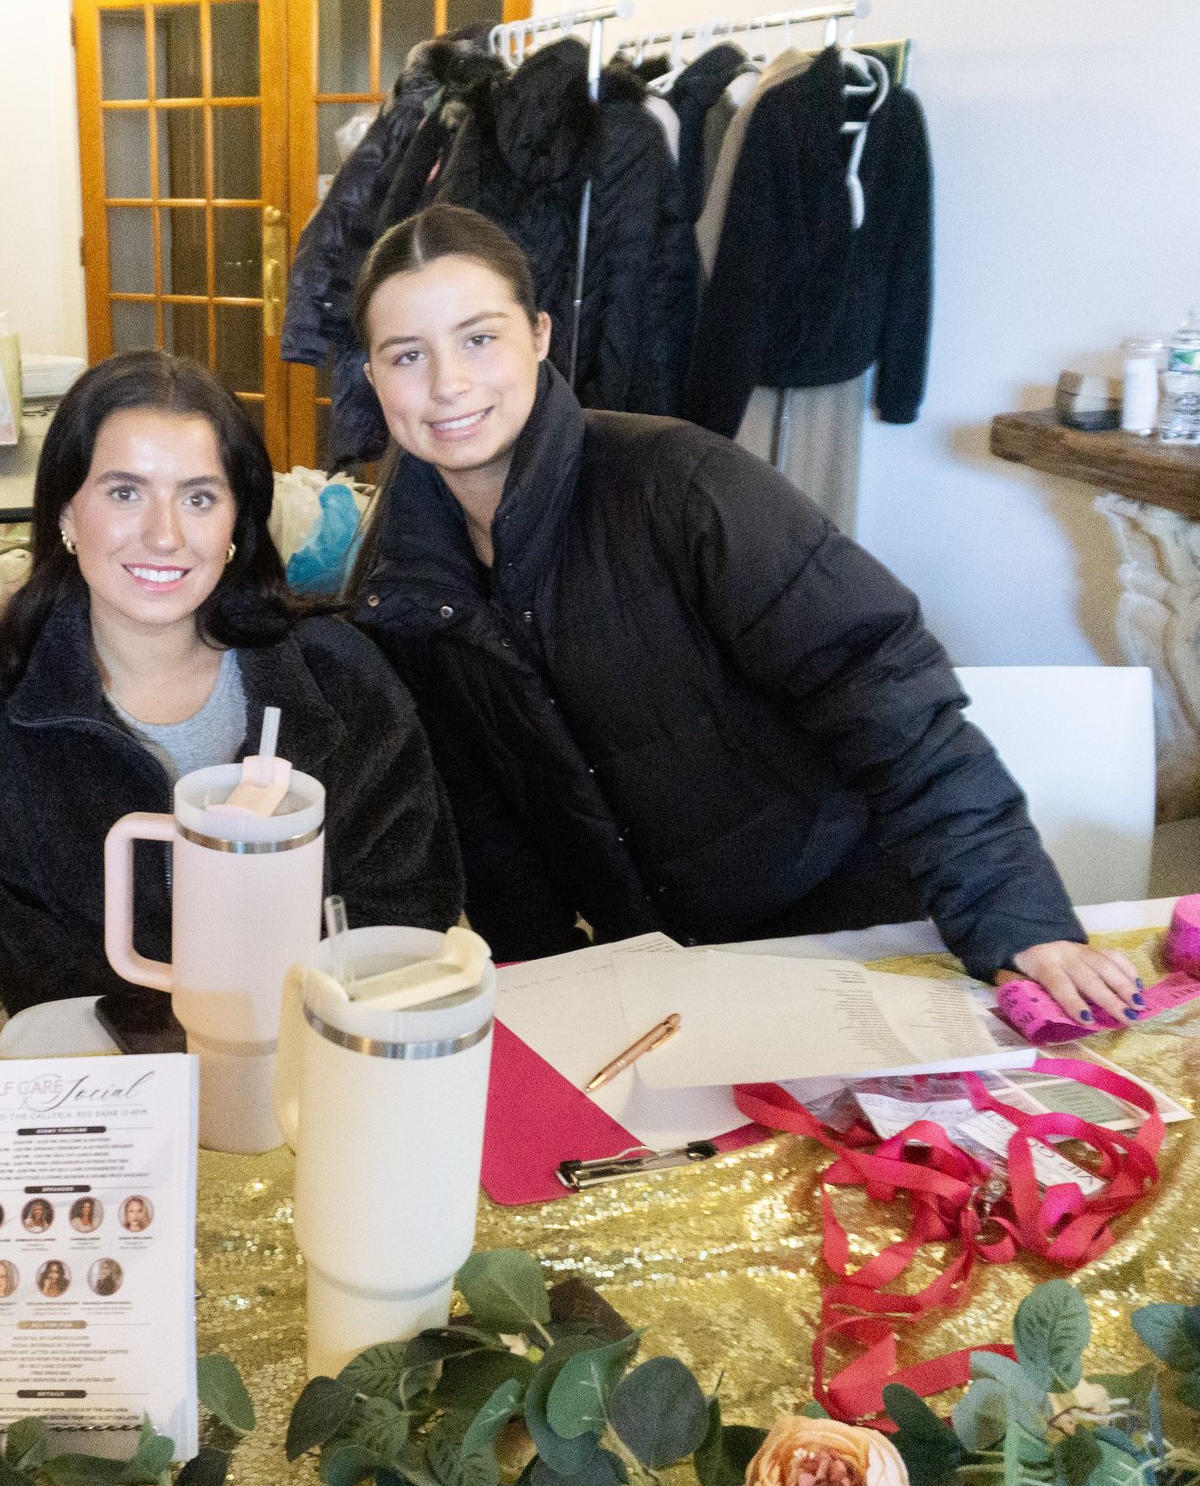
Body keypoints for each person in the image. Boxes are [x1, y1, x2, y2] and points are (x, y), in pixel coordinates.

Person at [346, 206, 1142, 1024]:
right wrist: (550, 994)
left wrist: (1019, 920)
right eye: (408, 355)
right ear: (373, 377)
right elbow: (481, 824)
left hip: (850, 931)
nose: (448, 383)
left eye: (480, 338)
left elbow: (888, 693)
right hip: (668, 975)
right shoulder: (399, 580)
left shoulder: (681, 487)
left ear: (541, 335)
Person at [0, 350, 465, 1014]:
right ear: (67, 513)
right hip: (121, 1083)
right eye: (125, 492)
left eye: (199, 497)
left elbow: (407, 917)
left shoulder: (339, 679)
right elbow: (46, 986)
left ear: (236, 525)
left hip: (321, 1068)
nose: (164, 535)